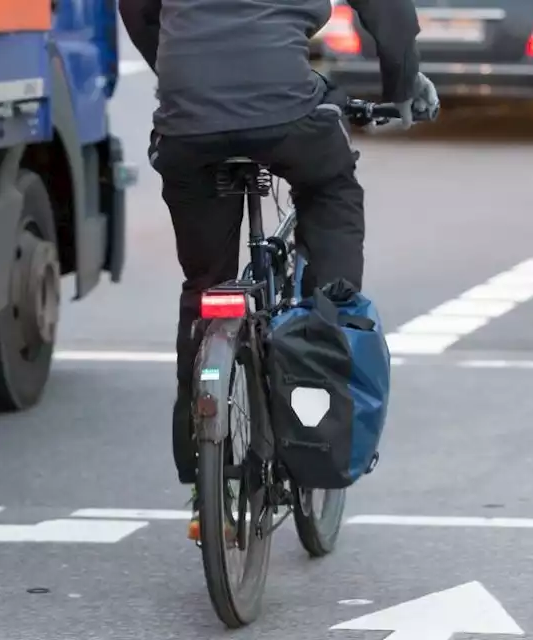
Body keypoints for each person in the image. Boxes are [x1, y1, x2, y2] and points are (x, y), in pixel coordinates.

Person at [119, 0, 440, 539]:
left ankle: (206, 481)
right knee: (332, 190)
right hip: (287, 112)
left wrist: (180, 72)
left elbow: (136, 10)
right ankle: (323, 326)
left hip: (187, 121)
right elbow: (388, 12)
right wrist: (403, 84)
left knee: (204, 290)